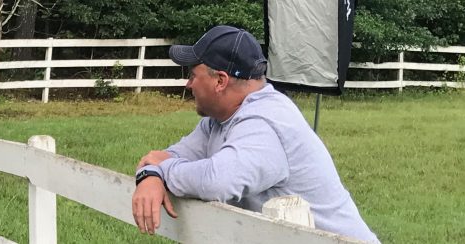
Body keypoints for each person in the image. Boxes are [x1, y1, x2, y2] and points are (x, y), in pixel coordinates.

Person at [130, 26, 379, 243]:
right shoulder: (219, 120)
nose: (188, 85)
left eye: (193, 75)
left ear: (220, 81)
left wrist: (164, 170)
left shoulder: (265, 121)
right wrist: (151, 174)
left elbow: (218, 181)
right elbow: (167, 156)